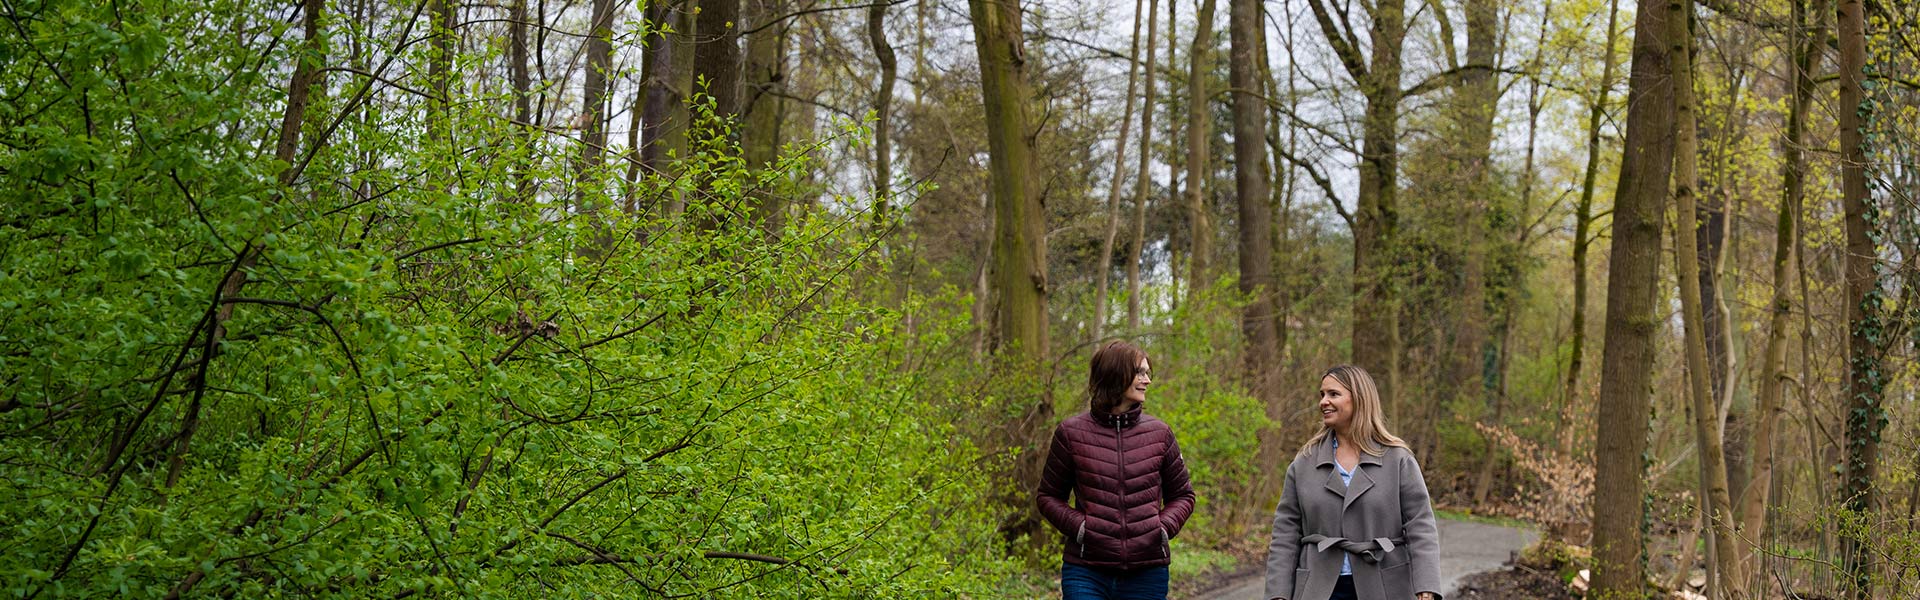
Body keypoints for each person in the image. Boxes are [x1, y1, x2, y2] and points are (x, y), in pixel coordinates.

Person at [1036, 340, 1197, 600]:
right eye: (1140, 373)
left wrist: (1162, 529)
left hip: (1147, 571)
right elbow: (1048, 497)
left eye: (1148, 373)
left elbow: (1184, 496)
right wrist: (1082, 528)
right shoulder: (1070, 433)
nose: (1147, 380)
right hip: (1086, 569)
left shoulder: (1160, 434)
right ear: (1116, 374)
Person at [1265, 365, 1442, 600]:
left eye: (1333, 394)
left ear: (1359, 398)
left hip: (1386, 586)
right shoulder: (1304, 462)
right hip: (1319, 588)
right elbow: (1285, 534)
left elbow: (1421, 525)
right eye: (1322, 395)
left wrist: (1426, 585)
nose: (1323, 402)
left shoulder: (1398, 459)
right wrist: (1278, 593)